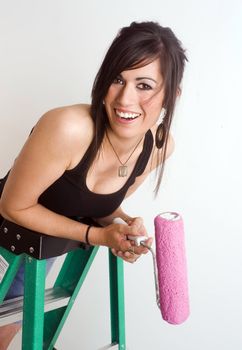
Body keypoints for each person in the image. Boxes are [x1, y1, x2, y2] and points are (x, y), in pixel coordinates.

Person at [0, 21, 187, 349]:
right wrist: (97, 236)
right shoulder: (67, 127)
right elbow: (13, 206)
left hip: (37, 250)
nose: (125, 98)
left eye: (144, 85)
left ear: (171, 95)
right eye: (117, 79)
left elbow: (98, 206)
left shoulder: (158, 148)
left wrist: (122, 225)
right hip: (8, 237)